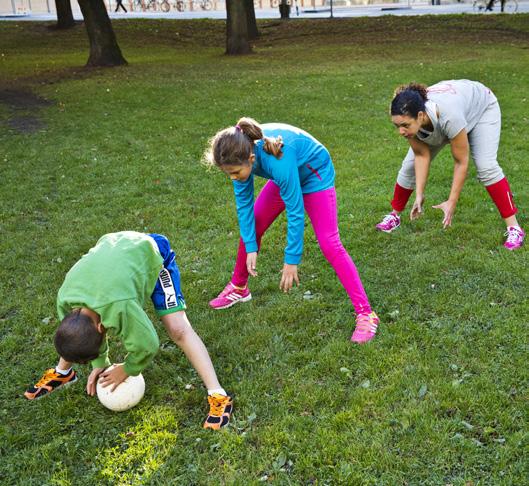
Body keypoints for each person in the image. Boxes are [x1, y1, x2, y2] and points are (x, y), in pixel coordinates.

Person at [24, 231, 232, 430]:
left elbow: (148, 345)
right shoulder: (65, 298)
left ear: (101, 326)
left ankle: (218, 394)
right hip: (116, 250)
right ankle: (63, 372)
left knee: (178, 330)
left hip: (151, 252)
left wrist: (127, 369)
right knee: (74, 335)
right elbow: (76, 329)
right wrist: (100, 363)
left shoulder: (120, 306)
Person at [204, 118, 379, 344]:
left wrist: (291, 260)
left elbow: (295, 211)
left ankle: (366, 314)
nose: (233, 178)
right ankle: (239, 287)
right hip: (287, 175)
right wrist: (250, 246)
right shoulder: (239, 155)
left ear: (251, 159)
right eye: (229, 174)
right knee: (253, 224)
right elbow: (244, 209)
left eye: (236, 172)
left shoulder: (277, 160)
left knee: (329, 243)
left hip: (314, 174)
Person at [376, 80, 524, 250]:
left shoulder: (449, 116)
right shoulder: (414, 114)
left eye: (405, 125)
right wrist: (419, 194)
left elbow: (461, 162)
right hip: (452, 109)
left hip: (482, 107)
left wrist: (451, 201)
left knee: (486, 166)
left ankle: (514, 228)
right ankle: (394, 215)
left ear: (420, 116)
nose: (400, 131)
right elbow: (421, 155)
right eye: (397, 126)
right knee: (409, 166)